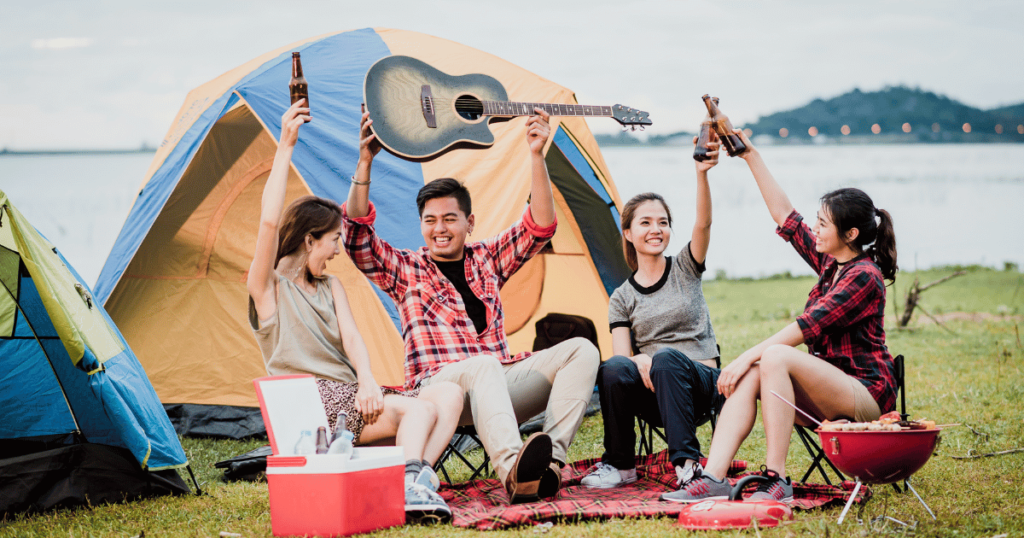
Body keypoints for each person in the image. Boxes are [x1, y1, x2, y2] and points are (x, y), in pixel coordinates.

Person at [342, 106, 600, 504]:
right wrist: (365, 161)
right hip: (439, 391)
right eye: (430, 220)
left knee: (582, 350)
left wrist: (536, 155)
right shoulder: (405, 269)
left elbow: (540, 226)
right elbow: (357, 238)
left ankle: (547, 468)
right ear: (421, 224)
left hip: (498, 384)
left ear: (469, 222)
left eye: (449, 218)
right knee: (482, 366)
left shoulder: (487, 259)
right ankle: (513, 470)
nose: (439, 229)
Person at [247, 100, 464, 521]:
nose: (336, 251)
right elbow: (269, 224)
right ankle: (409, 485)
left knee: (450, 394)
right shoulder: (268, 289)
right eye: (332, 240)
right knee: (419, 409)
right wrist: (285, 145)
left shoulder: (332, 286)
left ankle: (411, 483)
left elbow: (353, 338)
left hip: (351, 399)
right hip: (313, 406)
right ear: (309, 240)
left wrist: (367, 380)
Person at [667, 129, 899, 504]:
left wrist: (743, 357)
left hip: (864, 398)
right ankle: (713, 476)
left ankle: (777, 479)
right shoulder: (832, 263)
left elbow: (805, 329)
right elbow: (786, 218)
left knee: (770, 356)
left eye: (824, 224)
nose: (817, 228)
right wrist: (749, 153)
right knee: (759, 370)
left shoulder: (864, 277)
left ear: (851, 233)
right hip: (827, 394)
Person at [581, 136, 726, 499]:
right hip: (655, 392)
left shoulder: (686, 268)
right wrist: (638, 359)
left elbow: (704, 226)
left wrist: (702, 175)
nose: (655, 229)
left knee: (665, 359)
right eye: (645, 223)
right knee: (614, 367)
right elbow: (622, 357)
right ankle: (621, 465)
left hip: (702, 385)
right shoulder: (622, 298)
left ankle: (688, 468)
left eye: (662, 222)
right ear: (628, 233)